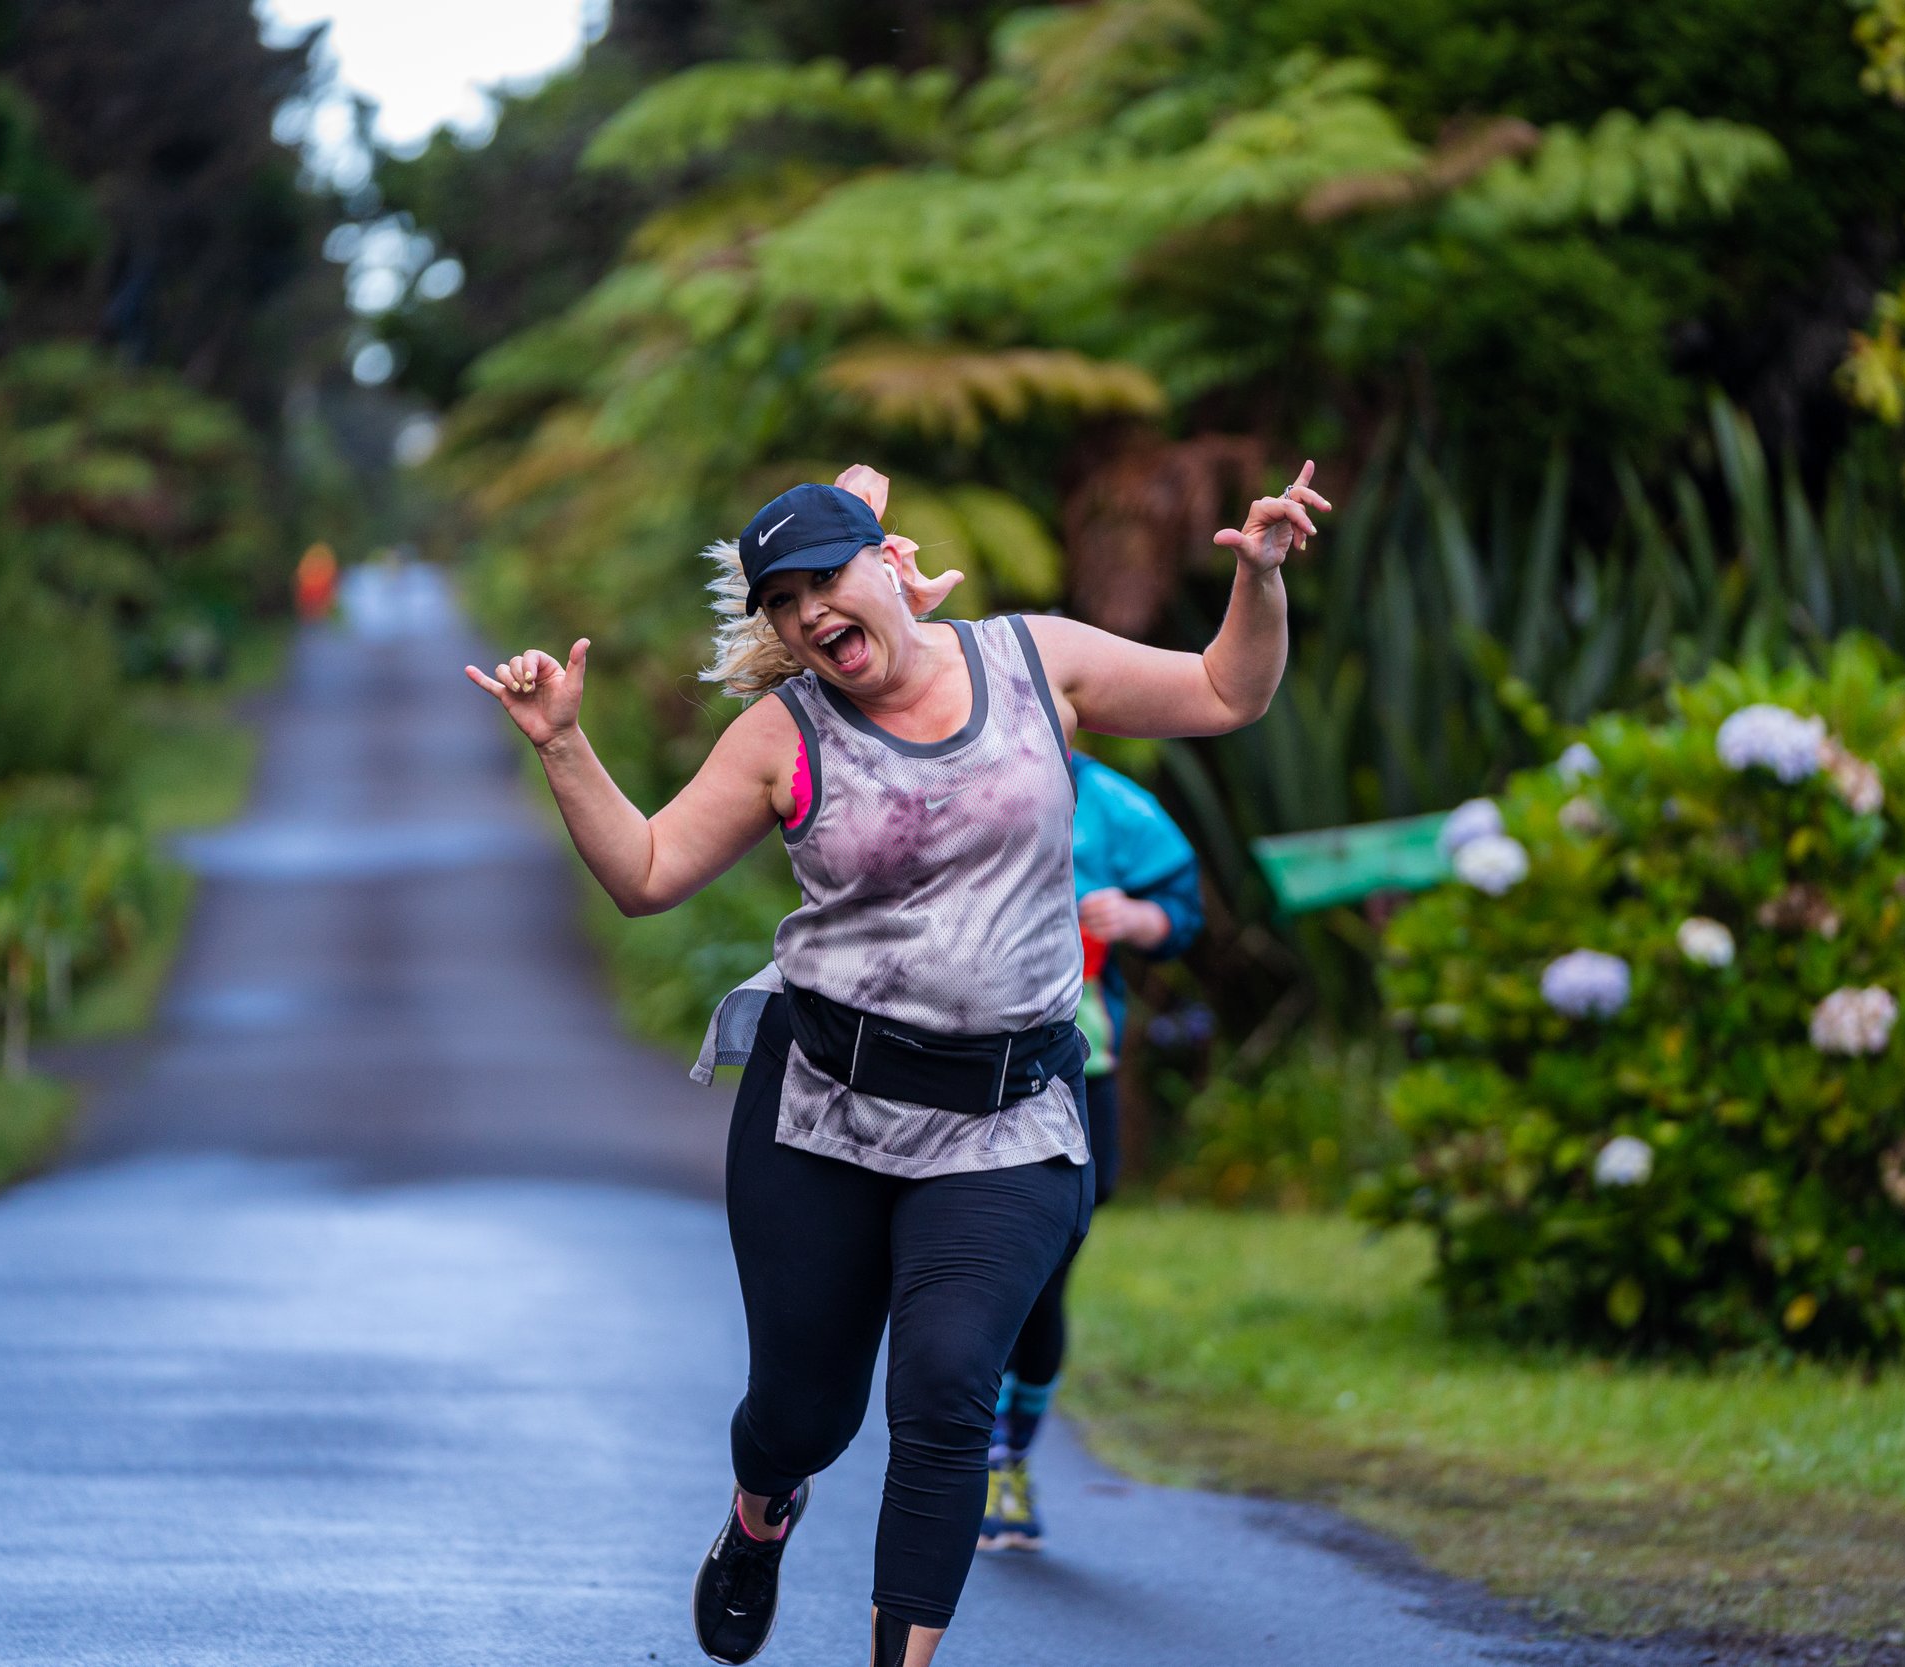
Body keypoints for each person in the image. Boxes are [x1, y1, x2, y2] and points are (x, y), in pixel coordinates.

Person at [466, 459, 1327, 1667]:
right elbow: (646, 874)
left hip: (1010, 1116)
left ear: (888, 563)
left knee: (943, 1397)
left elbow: (1227, 690)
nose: (810, 609)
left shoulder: (1037, 661)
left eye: (828, 576)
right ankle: (758, 1513)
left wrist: (1259, 576)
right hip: (822, 1111)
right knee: (802, 1412)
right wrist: (562, 745)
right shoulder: (783, 733)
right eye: (783, 600)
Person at [977, 751, 1202, 1553]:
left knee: (1041, 1282)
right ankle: (968, 1455)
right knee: (966, 1278)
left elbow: (1183, 907)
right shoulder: (947, 772)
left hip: (1080, 1072)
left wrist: (1141, 921)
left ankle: (1004, 1461)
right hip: (960, 1070)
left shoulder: (1112, 804)